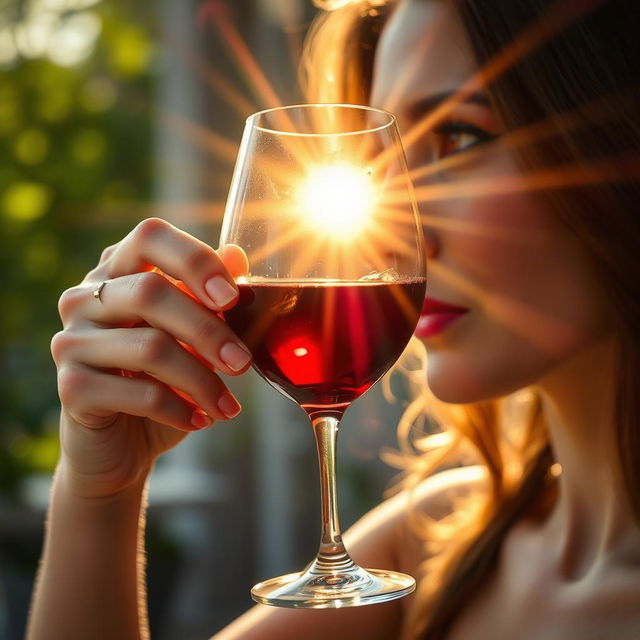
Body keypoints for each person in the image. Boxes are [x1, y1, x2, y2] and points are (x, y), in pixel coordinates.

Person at [27, 0, 640, 638]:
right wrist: (101, 495)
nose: (389, 236)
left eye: (460, 136)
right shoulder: (437, 548)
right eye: (388, 168)